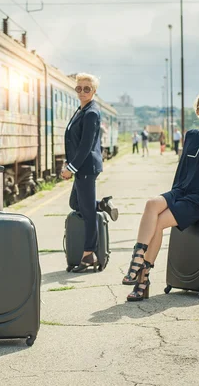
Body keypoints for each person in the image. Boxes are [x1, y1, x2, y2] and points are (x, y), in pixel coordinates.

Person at [122, 90, 199, 301]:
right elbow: (182, 168)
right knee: (152, 204)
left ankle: (141, 279)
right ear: (197, 111)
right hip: (182, 190)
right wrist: (171, 198)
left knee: (159, 223)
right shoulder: (190, 135)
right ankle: (138, 260)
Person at [61, 73, 119, 273]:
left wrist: (71, 168)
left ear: (94, 91)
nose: (83, 91)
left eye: (87, 88)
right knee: (76, 204)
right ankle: (102, 204)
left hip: (86, 168)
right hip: (81, 167)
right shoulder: (81, 109)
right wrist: (68, 162)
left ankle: (89, 254)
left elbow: (86, 146)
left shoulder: (92, 112)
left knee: (87, 212)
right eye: (79, 88)